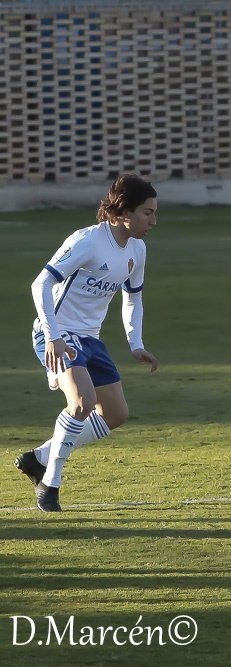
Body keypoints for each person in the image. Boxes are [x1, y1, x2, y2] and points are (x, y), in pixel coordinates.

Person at [15, 174, 161, 512]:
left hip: (90, 339)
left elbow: (133, 299)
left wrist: (135, 343)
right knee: (82, 402)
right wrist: (52, 336)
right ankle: (50, 483)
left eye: (154, 212)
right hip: (58, 333)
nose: (153, 220)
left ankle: (39, 458)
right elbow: (40, 285)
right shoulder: (87, 241)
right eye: (147, 212)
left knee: (116, 413)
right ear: (123, 211)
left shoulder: (137, 250)